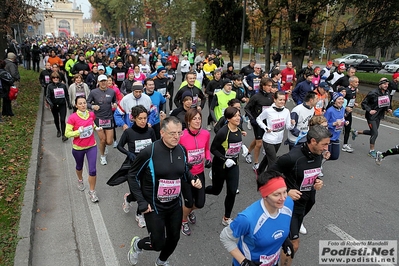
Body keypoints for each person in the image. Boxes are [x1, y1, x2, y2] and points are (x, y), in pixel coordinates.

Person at [126, 116, 202, 266]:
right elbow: (132, 175)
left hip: (174, 205)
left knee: (174, 238)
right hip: (154, 205)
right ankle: (137, 245)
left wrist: (192, 178)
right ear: (162, 132)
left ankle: (161, 261)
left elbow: (184, 169)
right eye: (172, 133)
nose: (177, 137)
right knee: (158, 243)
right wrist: (141, 201)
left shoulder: (181, 149)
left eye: (179, 133)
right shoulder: (150, 152)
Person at [268, 125, 331, 266]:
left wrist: (317, 181)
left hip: (306, 203)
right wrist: (287, 190)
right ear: (313, 141)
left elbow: (310, 173)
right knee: (293, 245)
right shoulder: (292, 157)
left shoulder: (317, 154)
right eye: (324, 144)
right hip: (291, 206)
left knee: (285, 239)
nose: (326, 148)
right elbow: (269, 175)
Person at [220, 170, 294, 266]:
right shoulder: (247, 219)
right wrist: (244, 262)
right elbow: (225, 237)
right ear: (265, 195)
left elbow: (277, 226)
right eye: (276, 194)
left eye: (284, 192)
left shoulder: (288, 204)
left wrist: (284, 239)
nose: (283, 198)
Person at [107, 105, 156, 227]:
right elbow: (119, 146)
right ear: (133, 118)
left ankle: (139, 214)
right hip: (133, 167)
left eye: (145, 118)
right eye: (140, 118)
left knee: (145, 192)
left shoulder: (150, 131)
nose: (143, 121)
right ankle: (128, 199)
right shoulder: (129, 132)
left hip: (148, 166)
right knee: (137, 192)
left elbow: (155, 145)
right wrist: (129, 153)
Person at [205, 107, 242, 226]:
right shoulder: (223, 132)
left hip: (234, 165)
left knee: (232, 191)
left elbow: (235, 145)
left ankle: (226, 218)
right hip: (220, 166)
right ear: (228, 118)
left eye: (239, 115)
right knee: (216, 190)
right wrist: (225, 159)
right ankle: (200, 191)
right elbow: (213, 149)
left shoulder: (239, 129)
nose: (238, 118)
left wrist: (243, 148)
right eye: (235, 116)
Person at [179, 108, 212, 236]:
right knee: (188, 202)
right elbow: (177, 155)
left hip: (199, 173)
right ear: (188, 121)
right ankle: (183, 220)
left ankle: (188, 212)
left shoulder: (205, 134)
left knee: (200, 203)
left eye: (199, 118)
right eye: (194, 119)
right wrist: (185, 163)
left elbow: (207, 150)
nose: (198, 121)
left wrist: (208, 159)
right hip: (186, 175)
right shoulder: (181, 136)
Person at [65, 96, 100, 202]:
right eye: (80, 103)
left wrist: (96, 128)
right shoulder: (73, 117)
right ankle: (80, 180)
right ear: (76, 105)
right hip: (78, 148)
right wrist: (78, 132)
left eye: (84, 103)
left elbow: (91, 123)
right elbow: (67, 133)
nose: (83, 105)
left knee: (93, 170)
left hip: (91, 146)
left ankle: (92, 192)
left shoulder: (91, 114)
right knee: (79, 166)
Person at [351, 78, 393, 158]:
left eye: (387, 84)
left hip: (379, 115)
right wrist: (369, 110)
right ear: (380, 84)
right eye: (384, 84)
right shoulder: (373, 93)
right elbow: (363, 103)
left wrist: (388, 109)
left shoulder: (387, 92)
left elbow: (386, 103)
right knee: (375, 133)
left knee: (373, 132)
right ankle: (371, 151)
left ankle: (356, 132)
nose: (386, 86)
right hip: (371, 116)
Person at [256, 91, 295, 174]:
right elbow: (258, 119)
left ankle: (259, 171)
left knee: (268, 157)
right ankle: (269, 178)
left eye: (283, 100)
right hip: (269, 138)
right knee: (273, 161)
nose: (282, 102)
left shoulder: (286, 111)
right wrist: (265, 128)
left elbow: (288, 127)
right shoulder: (268, 111)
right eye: (280, 100)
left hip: (279, 138)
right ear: (275, 100)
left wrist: (292, 124)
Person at [244, 78, 275, 171]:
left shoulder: (271, 96)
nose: (270, 88)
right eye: (268, 86)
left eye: (271, 86)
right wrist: (252, 119)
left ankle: (248, 152)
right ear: (263, 86)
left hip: (267, 123)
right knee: (259, 143)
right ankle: (256, 163)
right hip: (257, 122)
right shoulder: (256, 96)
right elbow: (246, 108)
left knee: (258, 139)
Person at [86, 74, 117, 165]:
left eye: (105, 81)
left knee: (109, 141)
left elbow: (115, 101)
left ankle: (104, 147)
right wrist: (92, 106)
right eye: (101, 81)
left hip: (109, 118)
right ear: (98, 82)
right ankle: (102, 156)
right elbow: (87, 102)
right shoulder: (93, 92)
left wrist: (115, 104)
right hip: (98, 119)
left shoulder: (112, 91)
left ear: (107, 82)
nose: (103, 83)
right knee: (102, 140)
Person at [46, 72, 72, 142]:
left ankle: (64, 135)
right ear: (52, 79)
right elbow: (47, 97)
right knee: (56, 119)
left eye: (57, 77)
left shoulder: (63, 86)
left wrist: (69, 103)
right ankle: (58, 130)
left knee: (63, 120)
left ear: (59, 78)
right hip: (54, 105)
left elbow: (67, 95)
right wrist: (51, 104)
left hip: (62, 105)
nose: (55, 79)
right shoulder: (50, 86)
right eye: (54, 78)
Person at [324, 92, 348, 160]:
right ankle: (319, 166)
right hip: (328, 137)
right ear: (334, 101)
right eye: (339, 99)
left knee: (335, 156)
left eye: (342, 99)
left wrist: (345, 122)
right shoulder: (330, 111)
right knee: (326, 156)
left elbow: (342, 119)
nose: (341, 101)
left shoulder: (342, 109)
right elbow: (323, 124)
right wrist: (334, 124)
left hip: (336, 136)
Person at [341, 76, 359, 153]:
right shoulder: (346, 91)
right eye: (356, 82)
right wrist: (345, 108)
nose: (357, 83)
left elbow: (350, 99)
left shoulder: (355, 90)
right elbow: (340, 101)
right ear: (351, 83)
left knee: (348, 128)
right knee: (337, 127)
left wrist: (353, 103)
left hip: (349, 112)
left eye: (358, 82)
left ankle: (345, 144)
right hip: (343, 112)